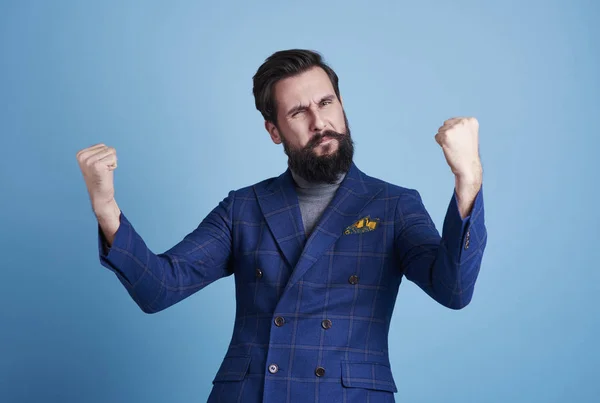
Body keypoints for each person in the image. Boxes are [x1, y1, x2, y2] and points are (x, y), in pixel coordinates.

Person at [76, 49, 487, 403]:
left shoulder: (394, 205)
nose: (319, 121)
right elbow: (160, 288)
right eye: (298, 111)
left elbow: (453, 290)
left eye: (326, 103)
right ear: (274, 131)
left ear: (342, 105)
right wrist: (106, 206)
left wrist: (468, 181)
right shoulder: (244, 207)